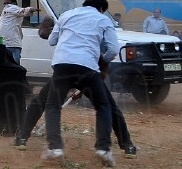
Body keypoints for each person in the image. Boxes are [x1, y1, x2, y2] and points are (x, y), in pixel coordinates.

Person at [14, 15, 137, 157]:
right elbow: (104, 60)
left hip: (65, 68)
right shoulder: (99, 28)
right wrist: (85, 86)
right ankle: (127, 146)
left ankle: (23, 138)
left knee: (42, 101)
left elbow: (48, 38)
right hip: (88, 71)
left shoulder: (70, 25)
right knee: (108, 105)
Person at [42, 0, 119, 166]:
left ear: (85, 4)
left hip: (62, 64)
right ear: (101, 9)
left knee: (53, 105)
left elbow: (52, 41)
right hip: (87, 66)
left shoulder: (66, 15)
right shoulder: (103, 19)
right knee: (103, 105)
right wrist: (103, 59)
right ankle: (103, 149)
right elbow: (114, 49)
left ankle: (55, 148)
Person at [0, 0, 38, 64]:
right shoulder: (13, 8)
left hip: (2, 41)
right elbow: (24, 11)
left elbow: (9, 1)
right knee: (14, 65)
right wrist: (32, 9)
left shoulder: (6, 9)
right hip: (12, 42)